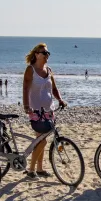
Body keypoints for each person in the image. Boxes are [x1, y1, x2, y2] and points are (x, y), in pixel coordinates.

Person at [22, 43, 66, 179]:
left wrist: (60, 100)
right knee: (42, 141)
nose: (47, 55)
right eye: (44, 53)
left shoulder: (49, 70)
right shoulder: (31, 70)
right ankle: (31, 170)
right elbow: (25, 88)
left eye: (48, 53)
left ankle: (39, 169)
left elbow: (54, 88)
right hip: (36, 110)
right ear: (36, 55)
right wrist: (26, 106)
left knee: (41, 140)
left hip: (48, 110)